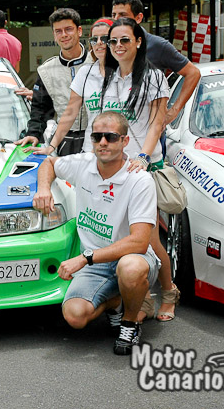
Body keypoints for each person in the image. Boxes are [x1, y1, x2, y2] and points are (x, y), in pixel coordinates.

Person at [33, 110, 160, 355]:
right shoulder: (83, 163)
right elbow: (48, 163)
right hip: (97, 264)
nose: (102, 142)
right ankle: (114, 301)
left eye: (111, 137)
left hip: (132, 258)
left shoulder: (139, 180)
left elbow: (140, 242)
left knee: (130, 268)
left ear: (125, 141)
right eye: (97, 136)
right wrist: (43, 190)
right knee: (74, 316)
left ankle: (129, 323)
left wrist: (84, 258)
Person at [112, 0, 202, 322]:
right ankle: (142, 295)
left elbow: (192, 73)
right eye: (113, 15)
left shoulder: (157, 46)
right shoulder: (112, 52)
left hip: (146, 158)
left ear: (139, 18)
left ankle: (166, 291)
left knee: (146, 236)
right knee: (124, 234)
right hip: (117, 159)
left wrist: (174, 110)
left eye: (123, 15)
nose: (117, 20)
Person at [15, 8, 91, 155]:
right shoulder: (46, 70)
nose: (64, 35)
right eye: (58, 31)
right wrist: (34, 133)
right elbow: (40, 108)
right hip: (64, 140)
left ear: (79, 31)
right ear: (54, 35)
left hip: (98, 139)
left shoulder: (96, 63)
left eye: (68, 29)